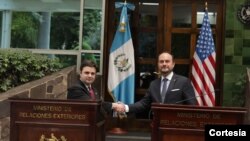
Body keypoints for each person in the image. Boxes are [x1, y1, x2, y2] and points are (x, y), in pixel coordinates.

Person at [114, 51, 197, 114]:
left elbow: (192, 106)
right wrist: (125, 107)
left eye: (167, 61)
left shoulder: (183, 82)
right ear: (158, 64)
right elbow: (143, 104)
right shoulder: (153, 84)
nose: (164, 64)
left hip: (177, 127)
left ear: (173, 64)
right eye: (161, 61)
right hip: (158, 127)